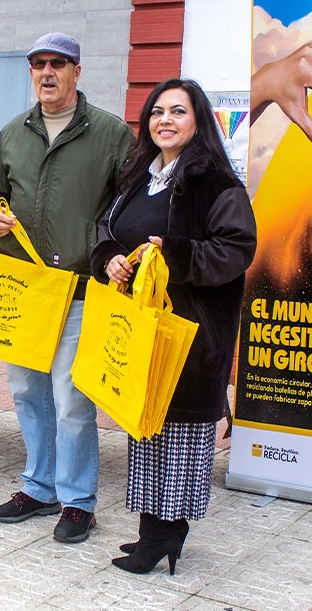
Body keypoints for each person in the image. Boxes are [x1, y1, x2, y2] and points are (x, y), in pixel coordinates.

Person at [90, 78, 257, 575]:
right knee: (146, 430)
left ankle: (167, 536)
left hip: (191, 331)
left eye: (178, 112)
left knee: (180, 435)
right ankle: (151, 534)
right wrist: (111, 258)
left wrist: (174, 256)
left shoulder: (216, 183)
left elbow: (235, 250)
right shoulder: (137, 175)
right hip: (141, 325)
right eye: (158, 111)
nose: (166, 120)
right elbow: (104, 227)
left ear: (198, 120)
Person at [0, 33, 134, 542]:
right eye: (38, 65)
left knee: (71, 398)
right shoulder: (12, 132)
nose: (46, 73)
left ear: (76, 71)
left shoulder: (111, 134)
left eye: (57, 64)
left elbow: (128, 206)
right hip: (22, 286)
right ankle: (39, 486)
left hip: (79, 285)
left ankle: (77, 500)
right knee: (26, 391)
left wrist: (105, 249)